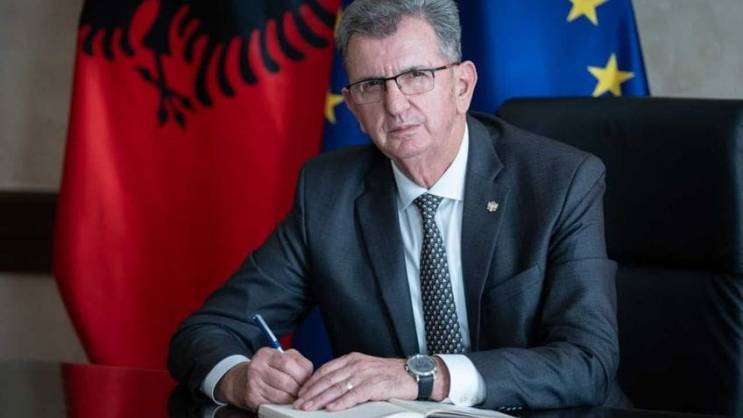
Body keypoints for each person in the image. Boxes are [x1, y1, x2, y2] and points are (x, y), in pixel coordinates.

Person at [168, 0, 628, 413]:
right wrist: (239, 378)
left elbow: (588, 360)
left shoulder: (560, 181)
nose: (395, 104)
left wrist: (425, 375)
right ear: (352, 106)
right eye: (371, 84)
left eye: (416, 76)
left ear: (462, 85)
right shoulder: (327, 192)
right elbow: (207, 330)